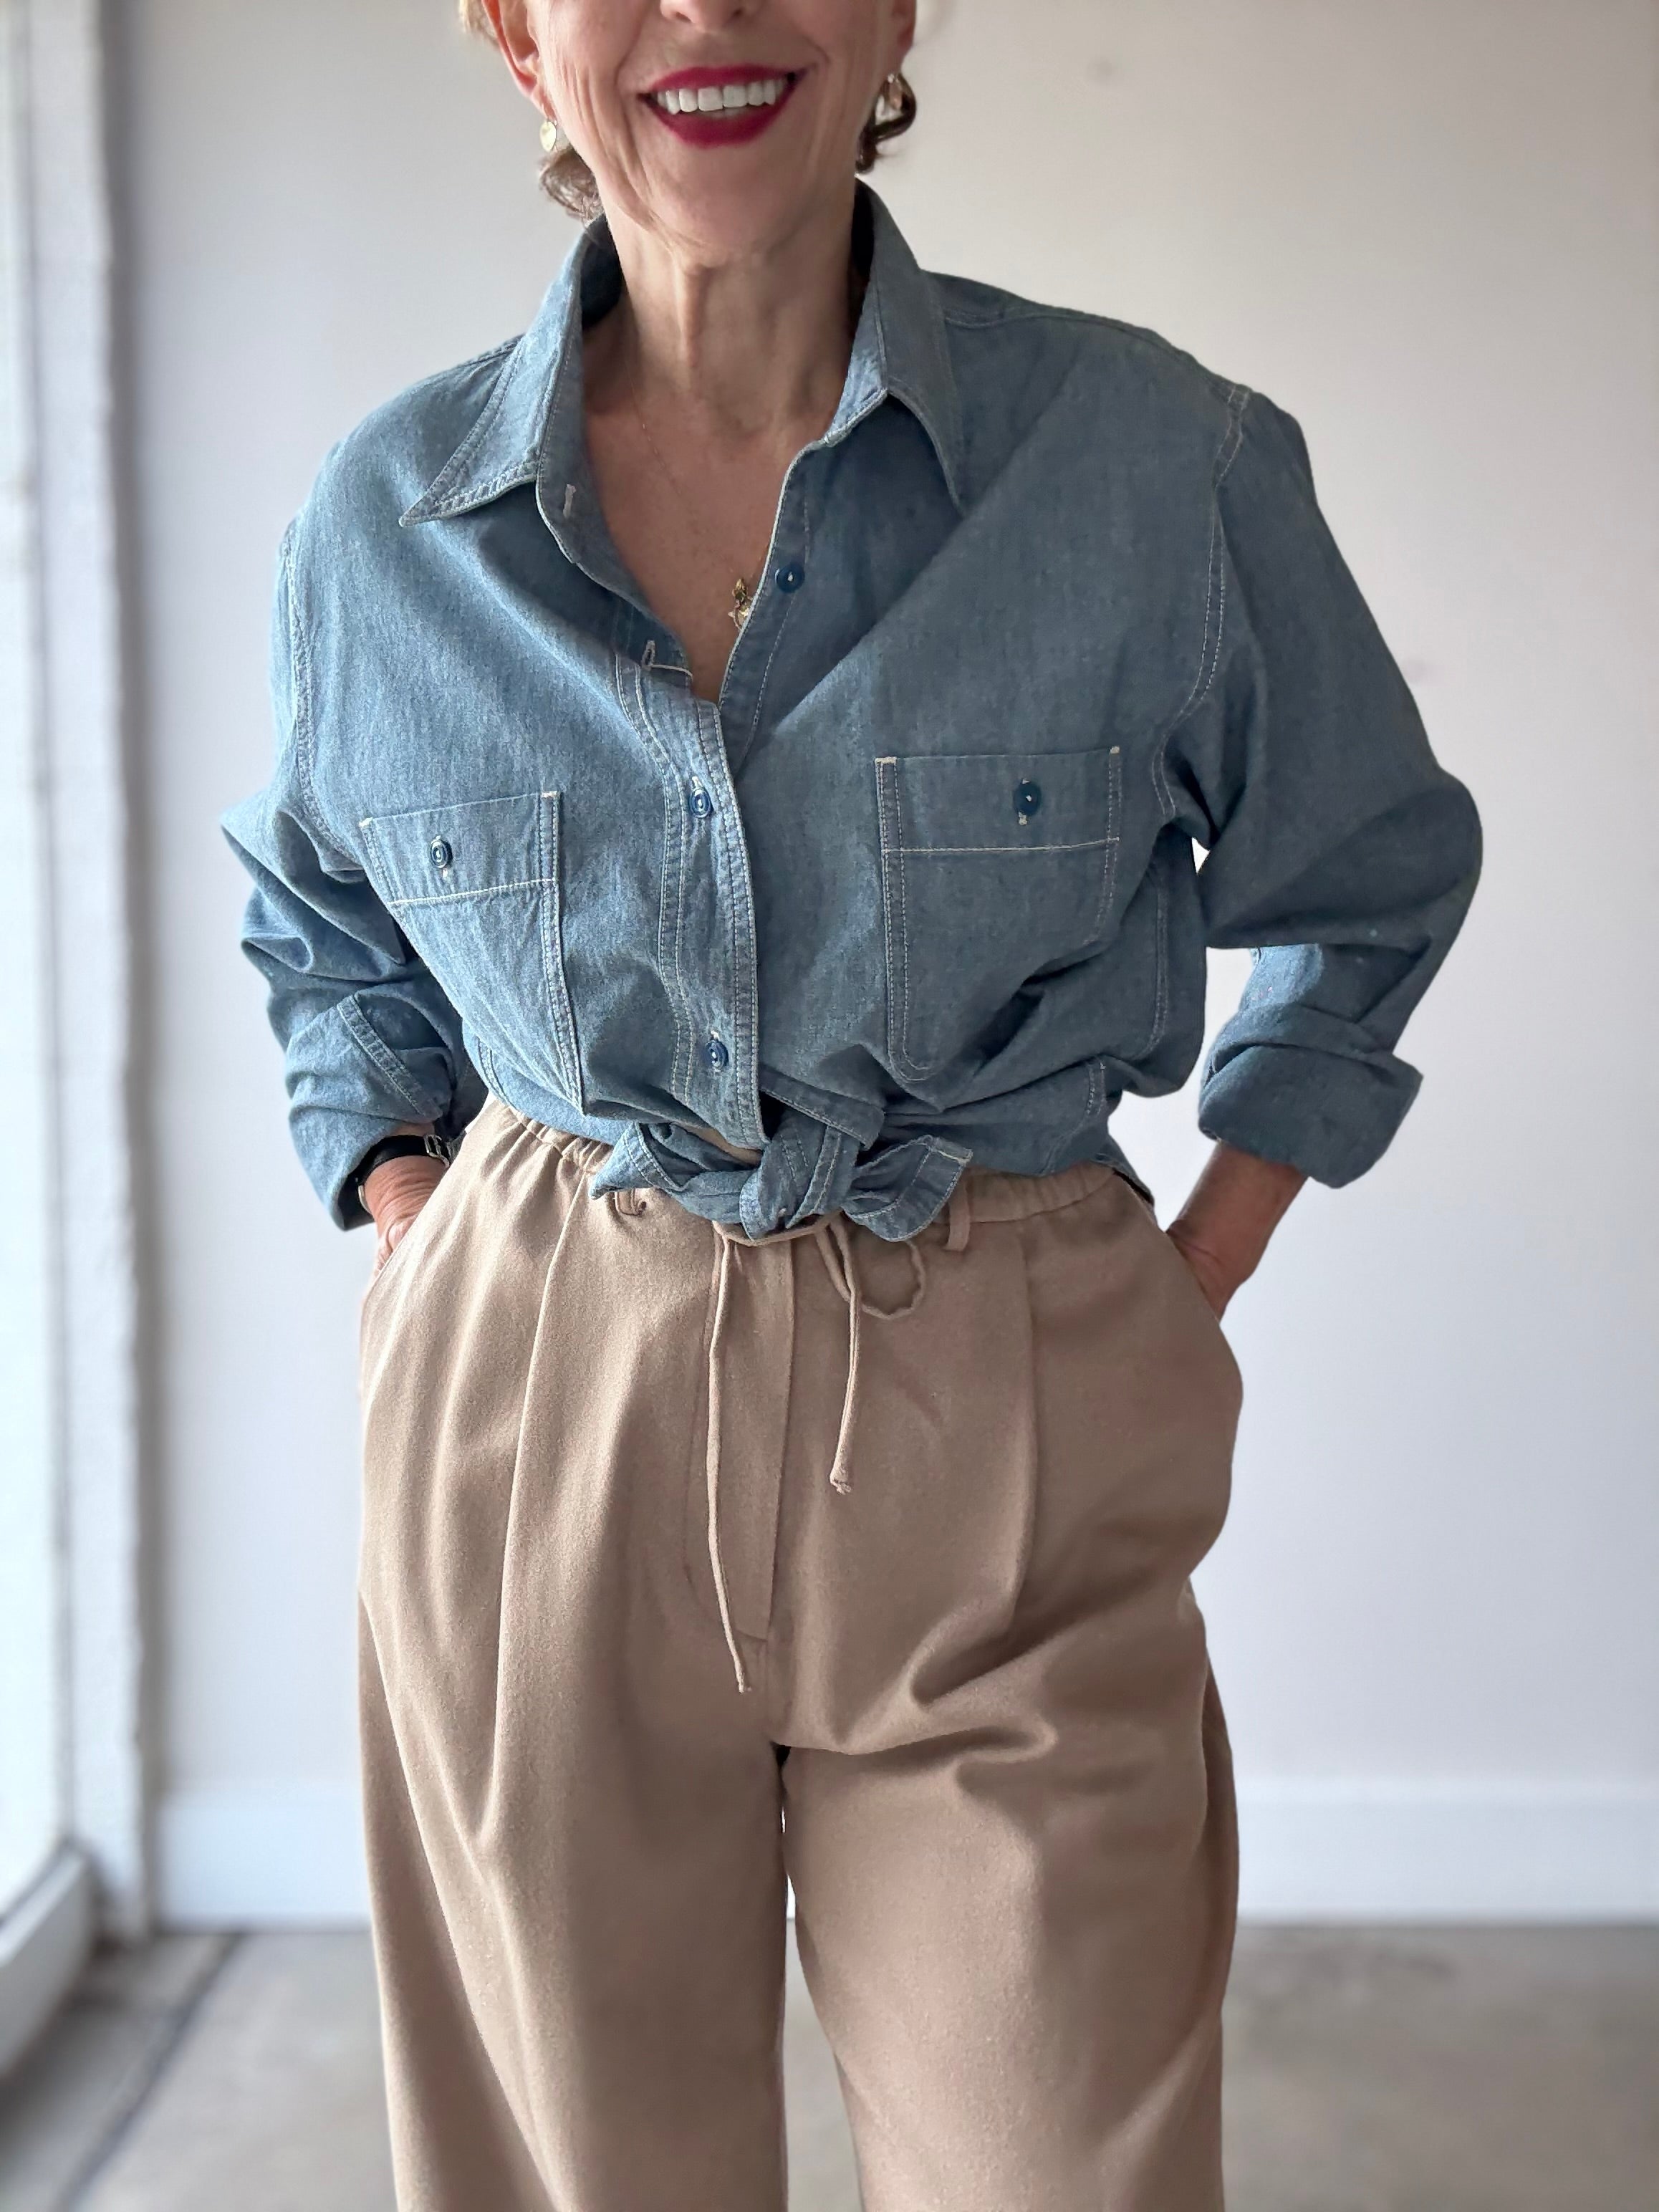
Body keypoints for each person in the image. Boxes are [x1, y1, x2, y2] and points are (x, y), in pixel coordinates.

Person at [222, 1, 1481, 2205]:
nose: (709, 11)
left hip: (1007, 1419)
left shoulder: (1152, 466)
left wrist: (1179, 1276)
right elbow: (318, 921)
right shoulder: (384, 521)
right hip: (541, 1423)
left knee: (1053, 2162)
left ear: (896, 6)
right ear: (520, 31)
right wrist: (425, 1219)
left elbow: (1367, 875)